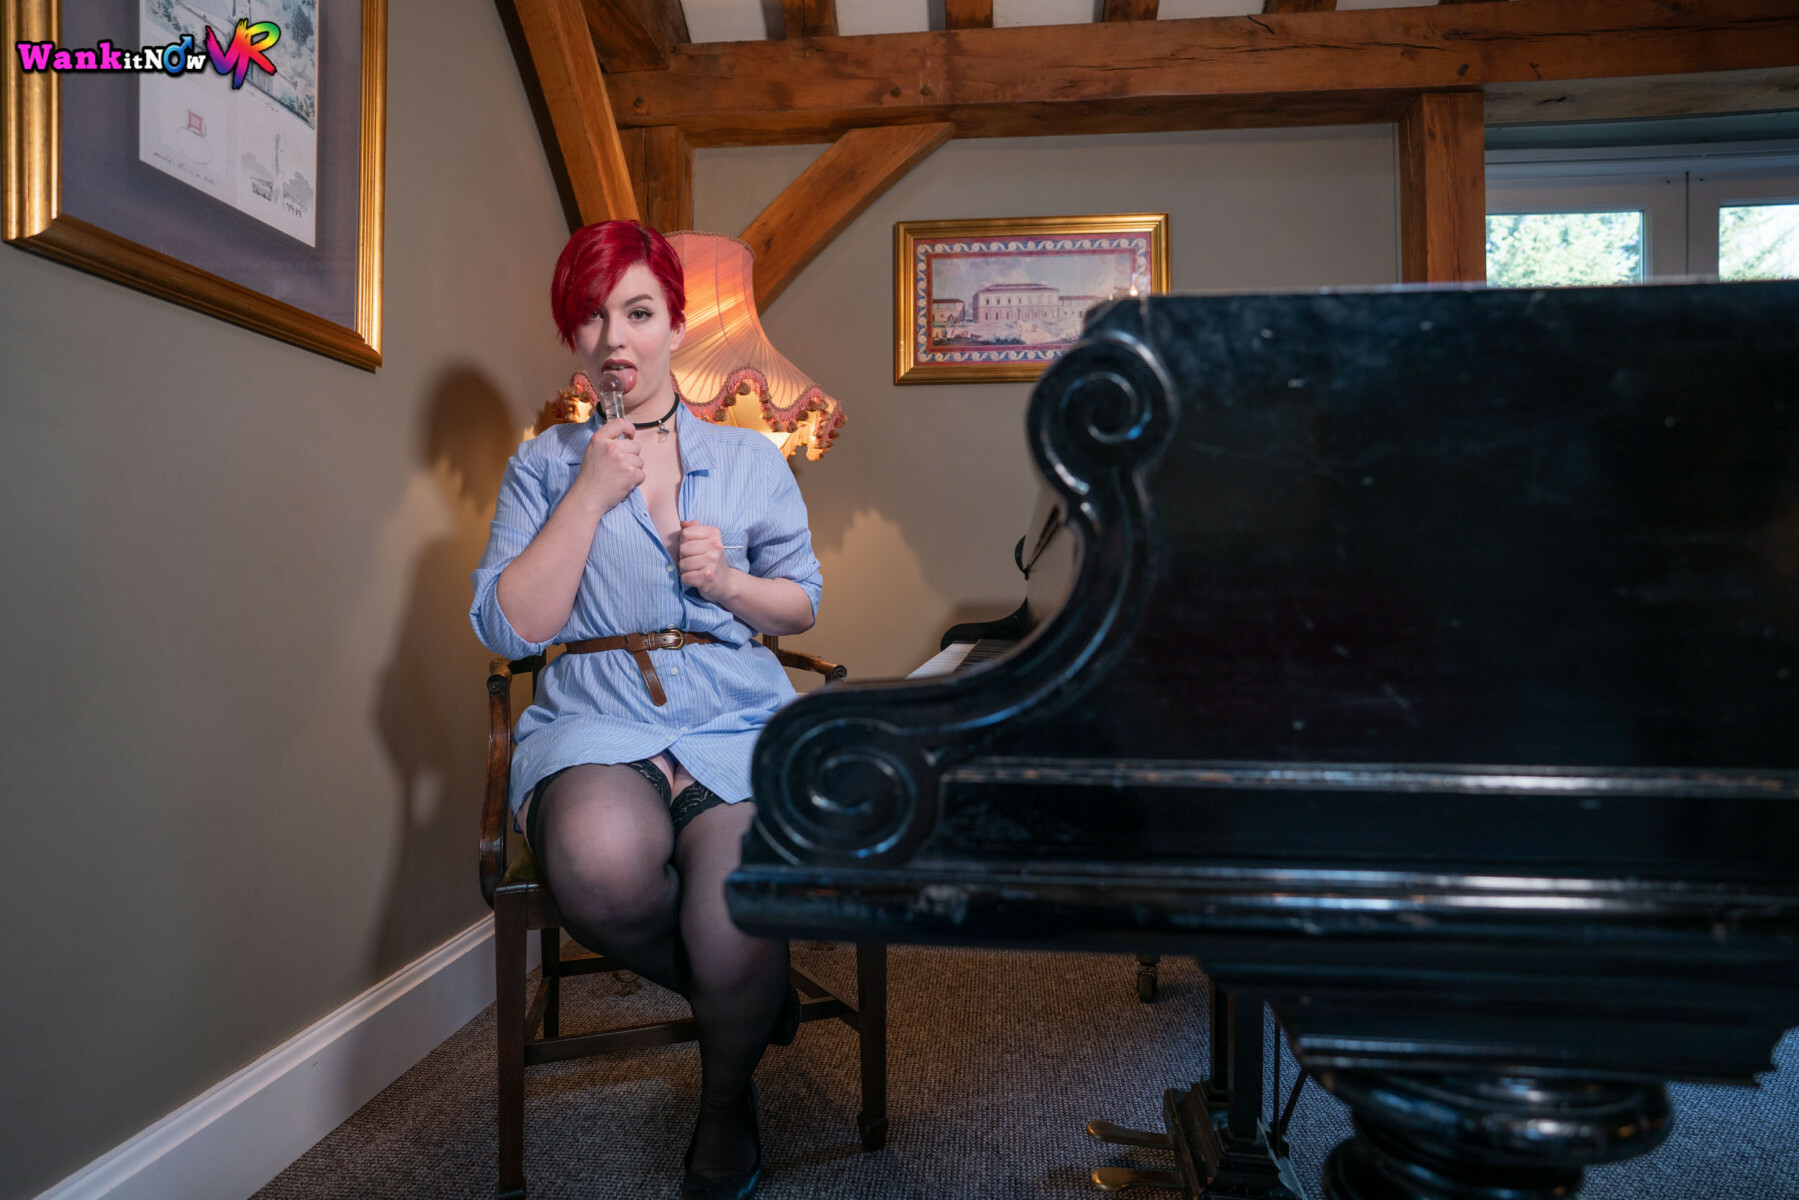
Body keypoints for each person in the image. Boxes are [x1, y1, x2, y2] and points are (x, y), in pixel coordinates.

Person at [469, 220, 821, 1200]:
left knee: (737, 900)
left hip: (735, 720)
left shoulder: (751, 459)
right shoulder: (543, 464)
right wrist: (586, 495)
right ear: (572, 336)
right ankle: (749, 1001)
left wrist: (730, 585)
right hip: (596, 717)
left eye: (636, 312)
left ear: (675, 323)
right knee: (599, 867)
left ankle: (725, 1102)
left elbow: (800, 603)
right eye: (590, 316)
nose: (613, 337)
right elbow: (509, 628)